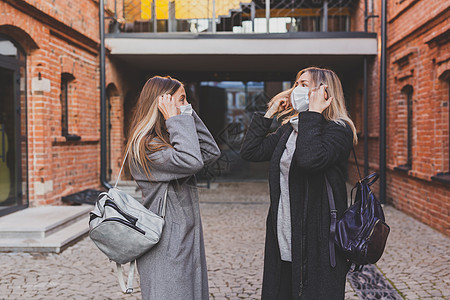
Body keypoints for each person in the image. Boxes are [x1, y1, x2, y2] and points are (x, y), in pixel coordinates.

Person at [241, 67, 358, 299]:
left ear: (325, 92)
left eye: (305, 85)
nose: (297, 89)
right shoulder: (289, 130)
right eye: (297, 84)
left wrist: (313, 114)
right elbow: (250, 152)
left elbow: (310, 160)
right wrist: (269, 114)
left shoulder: (339, 130)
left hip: (318, 240)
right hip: (284, 233)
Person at [126, 75, 221, 300]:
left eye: (186, 100)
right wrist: (177, 120)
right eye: (181, 100)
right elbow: (192, 161)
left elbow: (209, 153)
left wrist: (187, 115)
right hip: (166, 244)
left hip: (181, 238)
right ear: (162, 104)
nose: (185, 106)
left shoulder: (170, 139)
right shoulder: (148, 147)